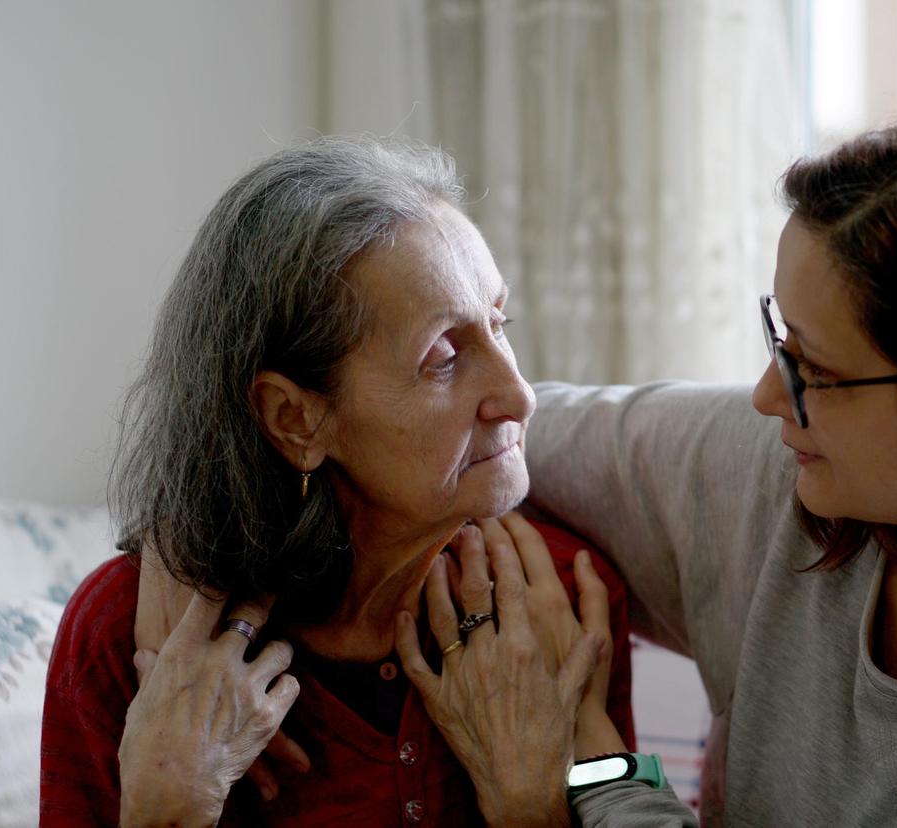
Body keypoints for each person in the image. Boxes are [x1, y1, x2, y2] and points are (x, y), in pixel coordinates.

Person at [400, 100, 897, 825]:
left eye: (818, 372)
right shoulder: (779, 471)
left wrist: (580, 736)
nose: (769, 395)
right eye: (779, 337)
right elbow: (499, 427)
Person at [39, 136, 636, 827]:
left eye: (499, 324)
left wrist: (537, 807)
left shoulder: (564, 601)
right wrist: (166, 813)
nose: (520, 395)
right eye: (443, 356)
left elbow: (620, 789)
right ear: (296, 419)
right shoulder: (125, 641)